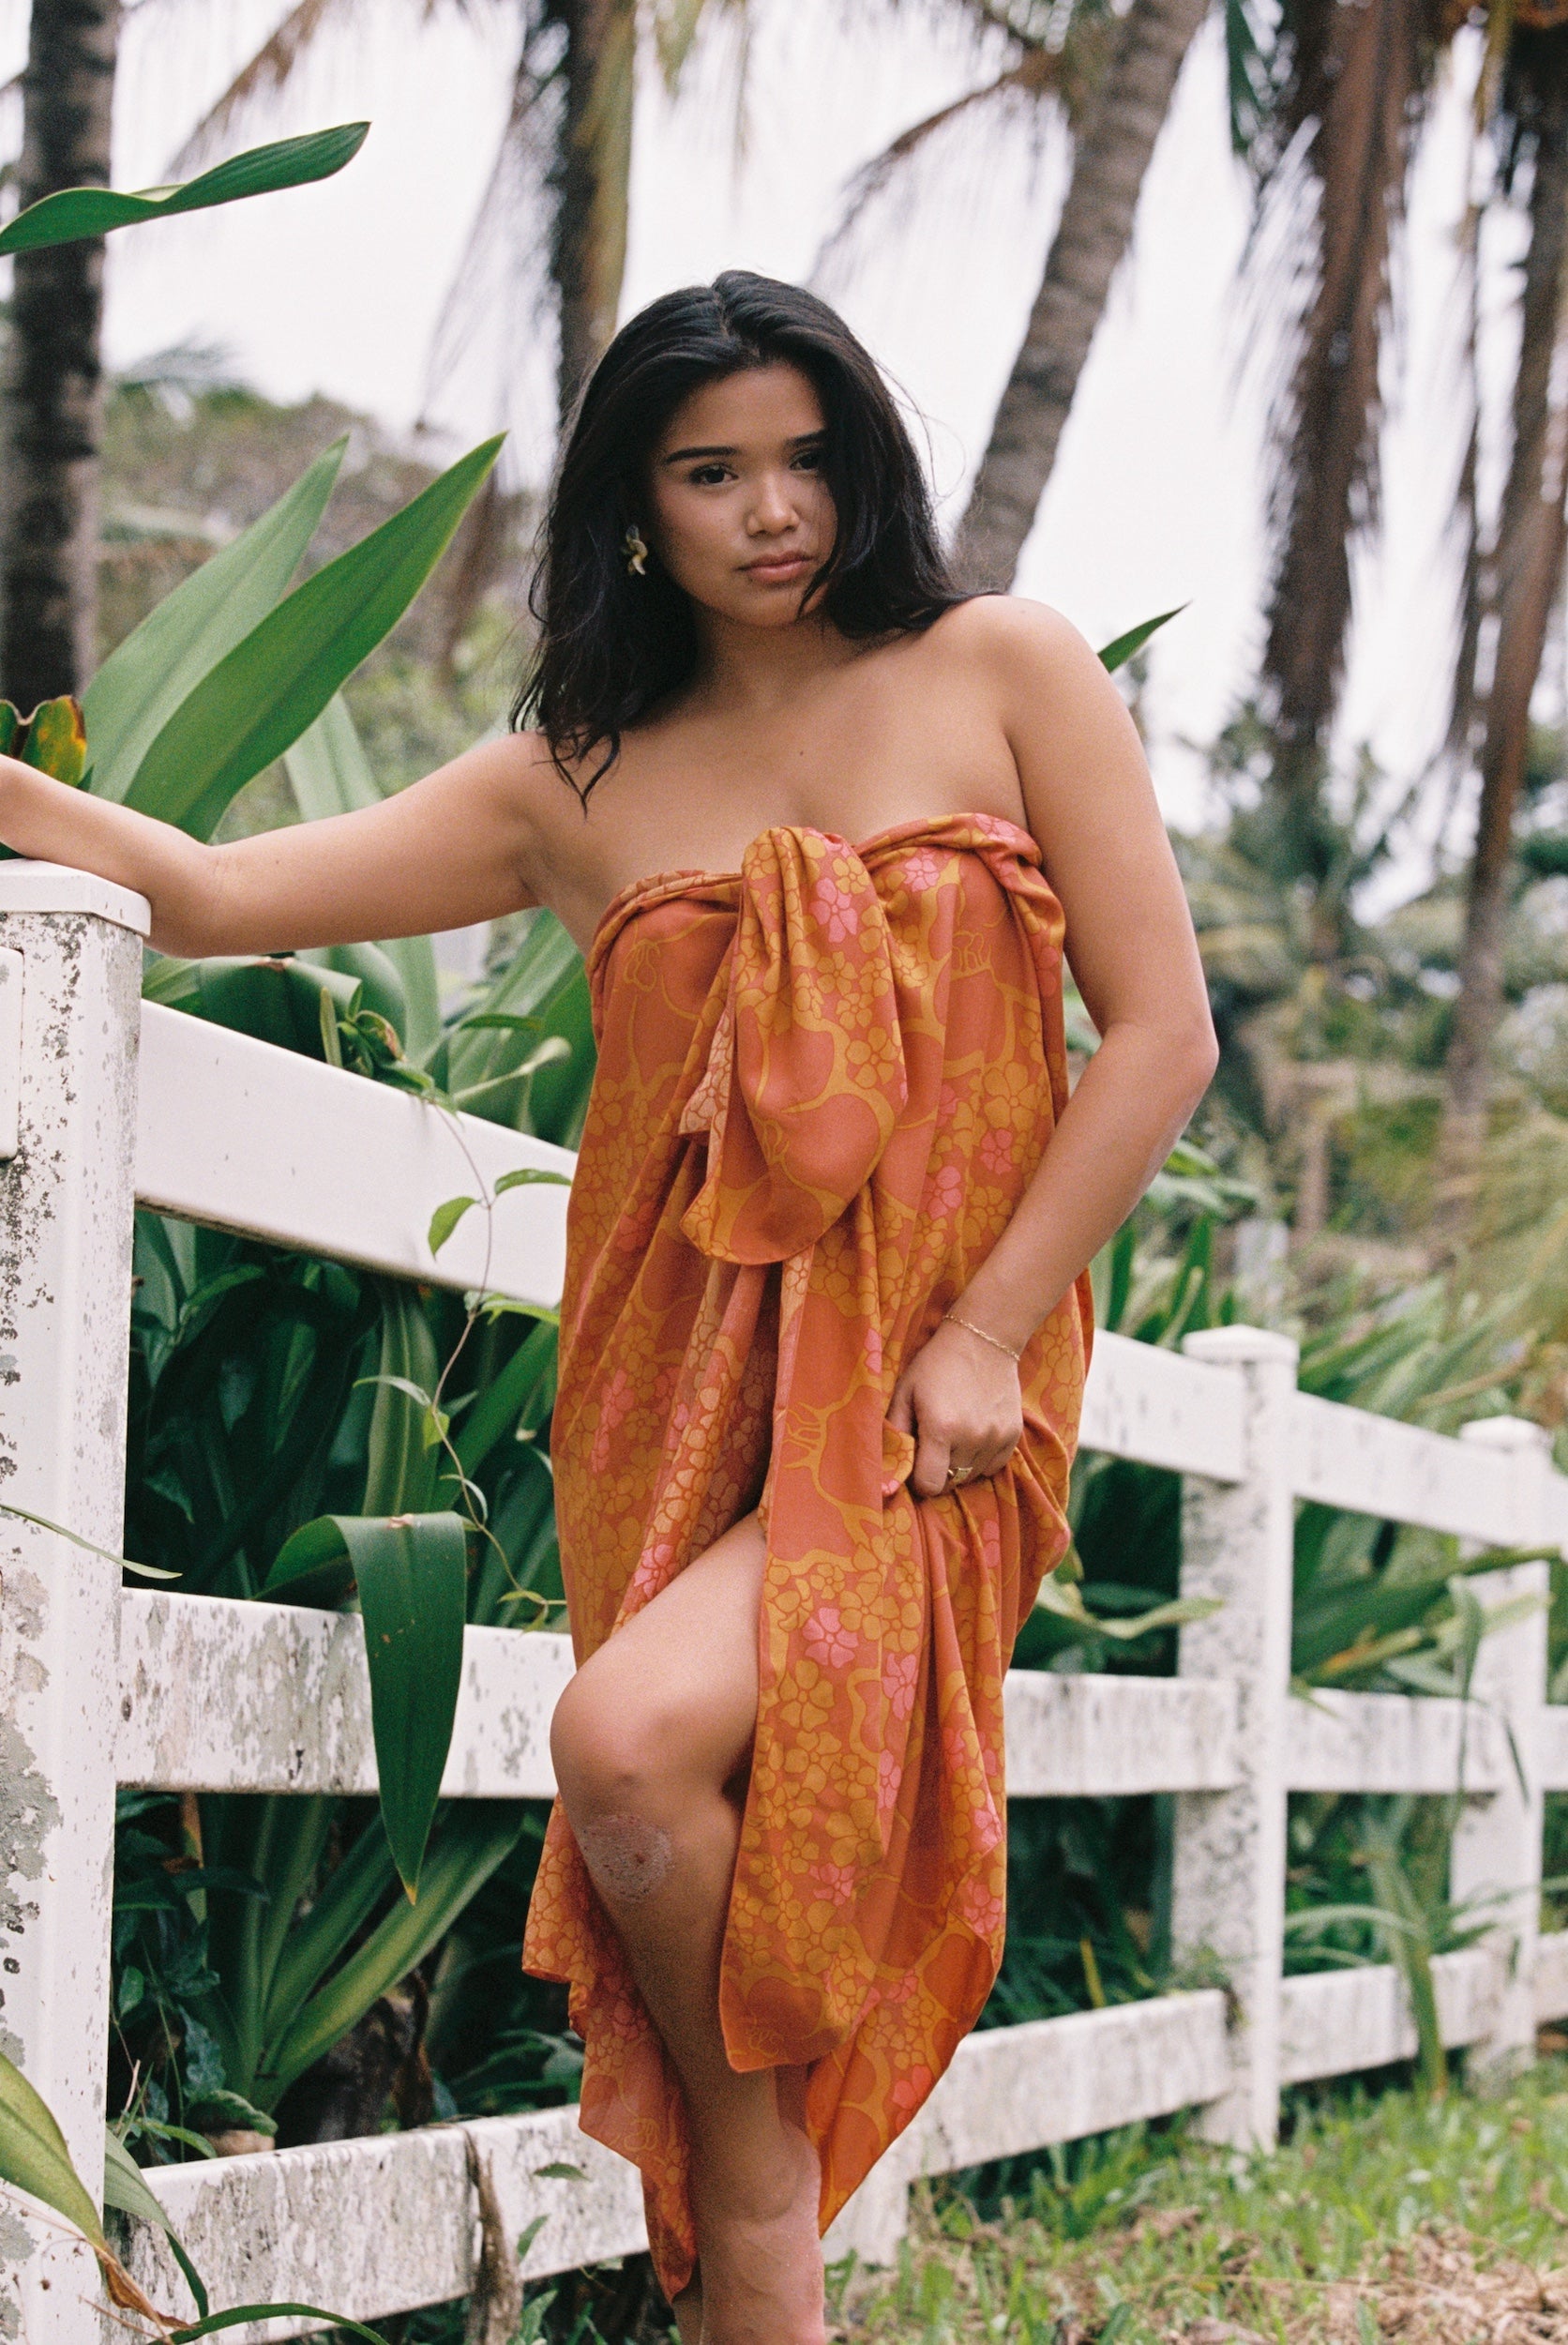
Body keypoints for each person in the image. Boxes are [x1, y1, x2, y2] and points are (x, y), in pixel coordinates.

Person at [0, 271, 1216, 2345]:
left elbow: (1160, 1035)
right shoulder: (568, 773)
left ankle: (754, 2237)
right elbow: (207, 895)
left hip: (939, 1391)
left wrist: (988, 1333)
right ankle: (760, 2262)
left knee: (619, 1734)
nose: (773, 510)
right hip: (679, 1395)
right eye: (711, 468)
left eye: (807, 456)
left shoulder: (999, 665)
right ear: (631, 509)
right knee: (648, 1775)